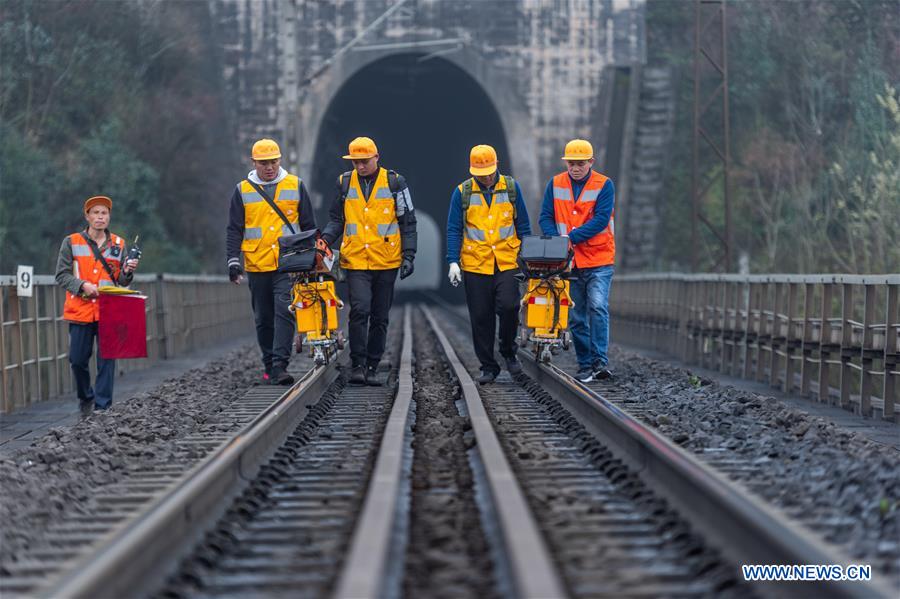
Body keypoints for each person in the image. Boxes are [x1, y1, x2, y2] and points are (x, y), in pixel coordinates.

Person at [321, 136, 416, 386]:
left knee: (380, 315)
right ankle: (358, 365)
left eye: (364, 161)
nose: (360, 166)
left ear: (376, 158)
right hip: (356, 260)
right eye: (355, 162)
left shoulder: (396, 183)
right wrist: (324, 240)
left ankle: (373, 364)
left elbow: (408, 222)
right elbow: (336, 219)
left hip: (386, 261)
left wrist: (408, 255)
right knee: (360, 310)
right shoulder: (343, 183)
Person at [226, 138, 316, 385]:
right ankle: (269, 362)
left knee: (285, 312)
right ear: (254, 162)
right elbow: (234, 228)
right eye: (264, 163)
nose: (269, 167)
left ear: (280, 160)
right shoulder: (242, 190)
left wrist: (311, 259)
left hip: (288, 265)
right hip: (257, 264)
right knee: (263, 318)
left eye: (273, 162)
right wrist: (233, 261)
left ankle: (279, 365)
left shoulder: (296, 186)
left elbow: (308, 226)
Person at [446, 144, 531, 384]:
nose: (485, 177)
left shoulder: (512, 188)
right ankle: (488, 366)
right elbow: (454, 229)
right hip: (475, 264)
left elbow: (523, 226)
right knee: (480, 316)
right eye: (480, 173)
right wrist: (453, 262)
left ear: (496, 167)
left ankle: (508, 350)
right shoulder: (462, 193)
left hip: (507, 260)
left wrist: (528, 257)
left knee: (509, 306)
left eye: (489, 172)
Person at [55, 195, 140, 416]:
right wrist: (82, 284)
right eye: (96, 213)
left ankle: (103, 408)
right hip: (80, 310)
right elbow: (61, 275)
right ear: (87, 216)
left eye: (104, 213)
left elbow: (121, 280)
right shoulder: (71, 242)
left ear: (109, 217)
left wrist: (128, 271)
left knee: (107, 361)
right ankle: (86, 397)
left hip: (109, 309)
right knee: (77, 360)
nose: (100, 217)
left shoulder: (119, 244)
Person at [539, 139, 615, 382]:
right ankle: (585, 365)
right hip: (568, 263)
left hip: (599, 259)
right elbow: (546, 217)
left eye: (580, 163)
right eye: (571, 163)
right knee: (577, 316)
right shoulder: (556, 183)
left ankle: (600, 362)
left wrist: (569, 238)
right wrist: (555, 240)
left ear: (591, 162)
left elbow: (601, 220)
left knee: (598, 306)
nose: (575, 168)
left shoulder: (604, 185)